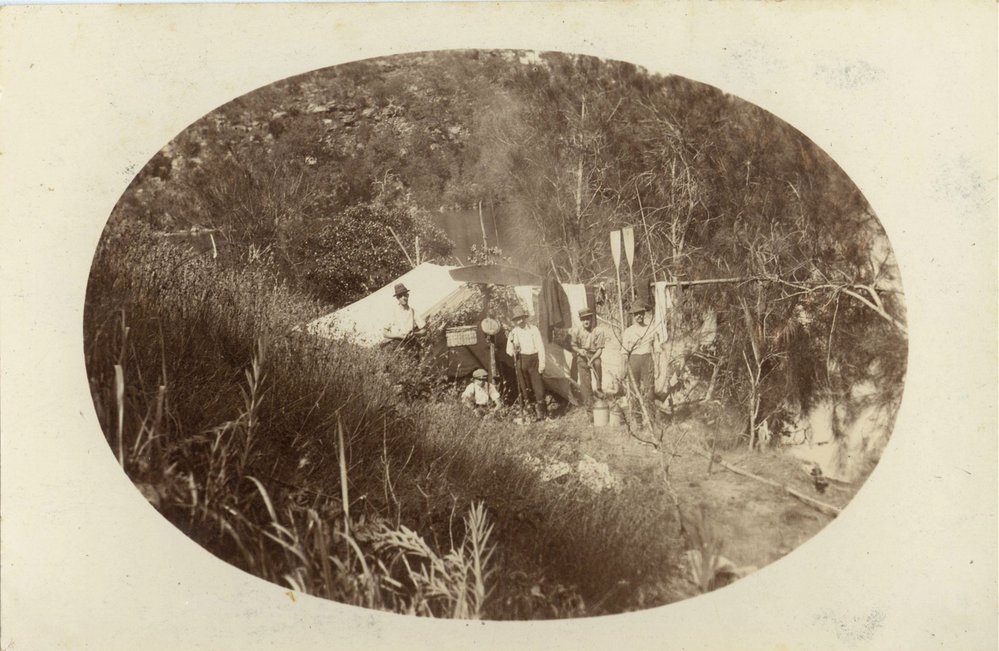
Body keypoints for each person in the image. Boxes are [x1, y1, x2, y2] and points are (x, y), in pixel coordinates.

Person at [505, 306, 547, 421]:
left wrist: (542, 363)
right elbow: (508, 351)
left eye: (521, 318)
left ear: (525, 318)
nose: (520, 321)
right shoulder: (514, 333)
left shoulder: (533, 329)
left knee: (538, 387)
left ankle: (541, 412)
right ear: (514, 321)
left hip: (534, 360)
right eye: (517, 319)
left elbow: (541, 347)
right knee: (525, 388)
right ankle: (530, 412)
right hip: (521, 361)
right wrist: (515, 350)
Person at [621, 302, 658, 424]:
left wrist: (656, 364)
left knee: (649, 390)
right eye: (636, 314)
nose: (639, 316)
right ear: (633, 316)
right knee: (634, 390)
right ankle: (638, 421)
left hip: (647, 359)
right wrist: (624, 368)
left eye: (641, 313)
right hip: (634, 360)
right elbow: (625, 352)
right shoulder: (628, 331)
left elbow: (656, 348)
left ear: (644, 314)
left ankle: (652, 419)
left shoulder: (650, 328)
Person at [569, 307, 604, 407]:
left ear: (591, 319)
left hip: (594, 355)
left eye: (588, 319)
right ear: (581, 320)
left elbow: (600, 350)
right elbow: (573, 345)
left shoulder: (598, 331)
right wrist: (579, 350)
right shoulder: (576, 331)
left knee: (597, 363)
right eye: (584, 319)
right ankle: (589, 406)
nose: (586, 321)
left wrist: (592, 359)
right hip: (582, 356)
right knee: (585, 384)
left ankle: (599, 387)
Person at [382, 282, 426, 347]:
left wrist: (415, 334)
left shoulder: (413, 311)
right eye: (400, 296)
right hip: (398, 345)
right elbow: (385, 333)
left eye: (405, 295)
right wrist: (398, 336)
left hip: (411, 343)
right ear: (397, 298)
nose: (403, 298)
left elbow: (424, 330)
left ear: (408, 295)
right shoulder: (393, 312)